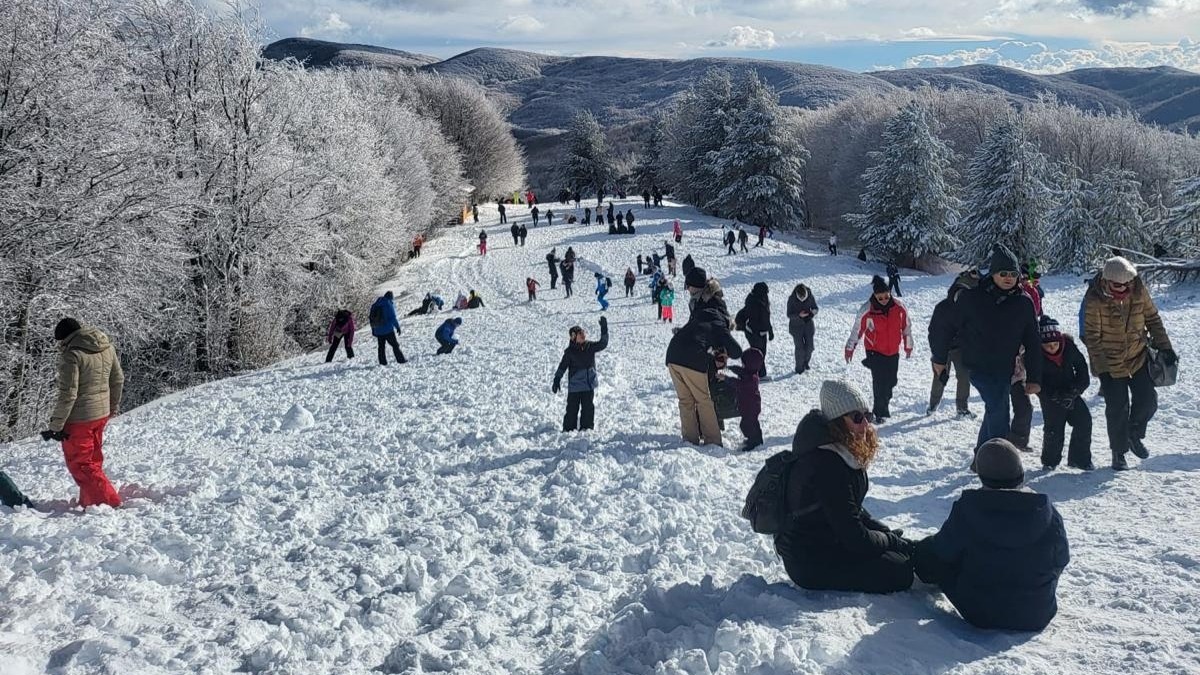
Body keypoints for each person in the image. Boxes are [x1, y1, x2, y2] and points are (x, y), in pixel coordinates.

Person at [913, 439, 1070, 631]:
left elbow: (942, 551)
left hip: (981, 613)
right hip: (1037, 613)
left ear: (981, 476)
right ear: (1020, 473)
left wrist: (917, 552)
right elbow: (1061, 559)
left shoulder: (969, 510)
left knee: (935, 557)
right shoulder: (1047, 513)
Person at [774, 380, 914, 593]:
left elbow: (850, 508)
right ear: (837, 422)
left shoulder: (839, 450)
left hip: (829, 539)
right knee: (899, 570)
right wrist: (888, 540)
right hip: (809, 561)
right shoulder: (827, 464)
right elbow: (855, 538)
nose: (866, 425)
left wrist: (885, 534)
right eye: (857, 418)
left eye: (868, 416)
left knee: (899, 553)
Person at [931, 245, 1041, 459]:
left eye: (1013, 274)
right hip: (977, 364)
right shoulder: (973, 298)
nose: (1008, 278)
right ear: (993, 274)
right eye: (1003, 274)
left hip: (1005, 366)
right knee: (999, 409)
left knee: (995, 409)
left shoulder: (1023, 303)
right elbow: (943, 324)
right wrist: (939, 357)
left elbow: (1033, 341)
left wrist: (1035, 377)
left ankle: (981, 457)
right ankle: (998, 462)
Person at [1083, 256, 1175, 470]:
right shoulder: (1095, 299)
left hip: (1137, 356)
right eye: (1118, 284)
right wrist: (1101, 368)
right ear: (1106, 281)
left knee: (1148, 400)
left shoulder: (1138, 291)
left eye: (1127, 283)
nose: (1124, 287)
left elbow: (1152, 319)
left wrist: (1165, 347)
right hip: (1111, 362)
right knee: (1117, 408)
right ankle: (1119, 452)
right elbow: (1092, 337)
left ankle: (1134, 432)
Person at [40, 318, 124, 509]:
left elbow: (69, 394)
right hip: (101, 414)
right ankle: (89, 501)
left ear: (64, 339)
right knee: (93, 460)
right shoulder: (106, 346)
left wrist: (56, 425)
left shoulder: (72, 355)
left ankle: (109, 503)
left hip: (80, 419)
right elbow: (118, 379)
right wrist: (112, 406)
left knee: (81, 464)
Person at [666, 267, 742, 446]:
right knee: (703, 400)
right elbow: (736, 350)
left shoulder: (702, 310)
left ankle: (690, 439)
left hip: (673, 355)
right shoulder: (716, 317)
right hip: (692, 358)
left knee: (685, 400)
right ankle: (713, 441)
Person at [845, 276, 912, 422]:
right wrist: (850, 347)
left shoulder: (899, 307)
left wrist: (908, 345)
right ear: (875, 295)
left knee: (891, 381)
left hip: (893, 351)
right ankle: (879, 412)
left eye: (886, 296)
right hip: (874, 351)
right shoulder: (867, 309)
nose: (884, 300)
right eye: (880, 298)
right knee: (880, 382)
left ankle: (883, 402)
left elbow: (906, 327)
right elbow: (857, 330)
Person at [1035, 316, 1093, 470]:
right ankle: (1049, 461)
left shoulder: (1069, 347)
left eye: (1055, 344)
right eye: (1048, 345)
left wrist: (1075, 391)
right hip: (1051, 397)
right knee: (1054, 430)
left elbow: (1082, 368)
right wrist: (1054, 395)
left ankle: (1080, 459)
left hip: (1071, 392)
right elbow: (1035, 382)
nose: (1052, 347)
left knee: (1084, 421)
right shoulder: (1035, 355)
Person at [552, 317, 609, 432]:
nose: (583, 335)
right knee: (572, 409)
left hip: (588, 385)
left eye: (583, 333)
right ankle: (568, 430)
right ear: (574, 337)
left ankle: (586, 429)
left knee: (588, 408)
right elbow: (562, 366)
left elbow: (603, 344)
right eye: (580, 334)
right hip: (575, 387)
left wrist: (604, 328)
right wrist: (557, 379)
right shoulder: (570, 352)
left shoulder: (589, 346)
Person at [926, 285, 973, 418]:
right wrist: (938, 358)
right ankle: (933, 404)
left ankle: (962, 408)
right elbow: (934, 334)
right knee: (939, 377)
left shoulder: (970, 309)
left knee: (964, 377)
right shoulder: (942, 308)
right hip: (942, 349)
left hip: (960, 349)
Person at [728, 348, 764, 451]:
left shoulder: (752, 378)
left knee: (745, 425)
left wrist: (726, 379)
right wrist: (732, 368)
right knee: (753, 423)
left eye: (743, 363)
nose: (742, 365)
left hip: (750, 406)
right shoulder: (751, 372)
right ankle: (757, 439)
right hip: (752, 405)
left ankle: (753, 442)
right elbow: (742, 371)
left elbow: (739, 384)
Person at [736, 282, 774, 378]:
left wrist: (770, 330)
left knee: (762, 353)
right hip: (753, 332)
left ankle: (757, 373)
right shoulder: (753, 302)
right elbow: (753, 320)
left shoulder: (763, 299)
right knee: (758, 354)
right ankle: (759, 374)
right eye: (765, 292)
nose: (767, 294)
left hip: (762, 332)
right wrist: (756, 333)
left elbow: (766, 317)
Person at [786, 283, 818, 375]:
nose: (802, 298)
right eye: (800, 297)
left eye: (804, 297)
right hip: (796, 327)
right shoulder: (791, 299)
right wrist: (798, 315)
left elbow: (815, 308)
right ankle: (799, 368)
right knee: (800, 348)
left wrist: (812, 313)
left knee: (810, 347)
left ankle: (805, 363)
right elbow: (789, 314)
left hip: (808, 325)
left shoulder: (810, 296)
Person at [369, 292, 407, 366]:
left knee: (381, 347)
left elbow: (371, 319)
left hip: (378, 330)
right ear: (390, 297)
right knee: (395, 345)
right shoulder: (388, 304)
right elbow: (393, 317)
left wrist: (374, 330)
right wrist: (397, 327)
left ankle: (382, 362)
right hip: (388, 330)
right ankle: (401, 360)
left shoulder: (375, 305)